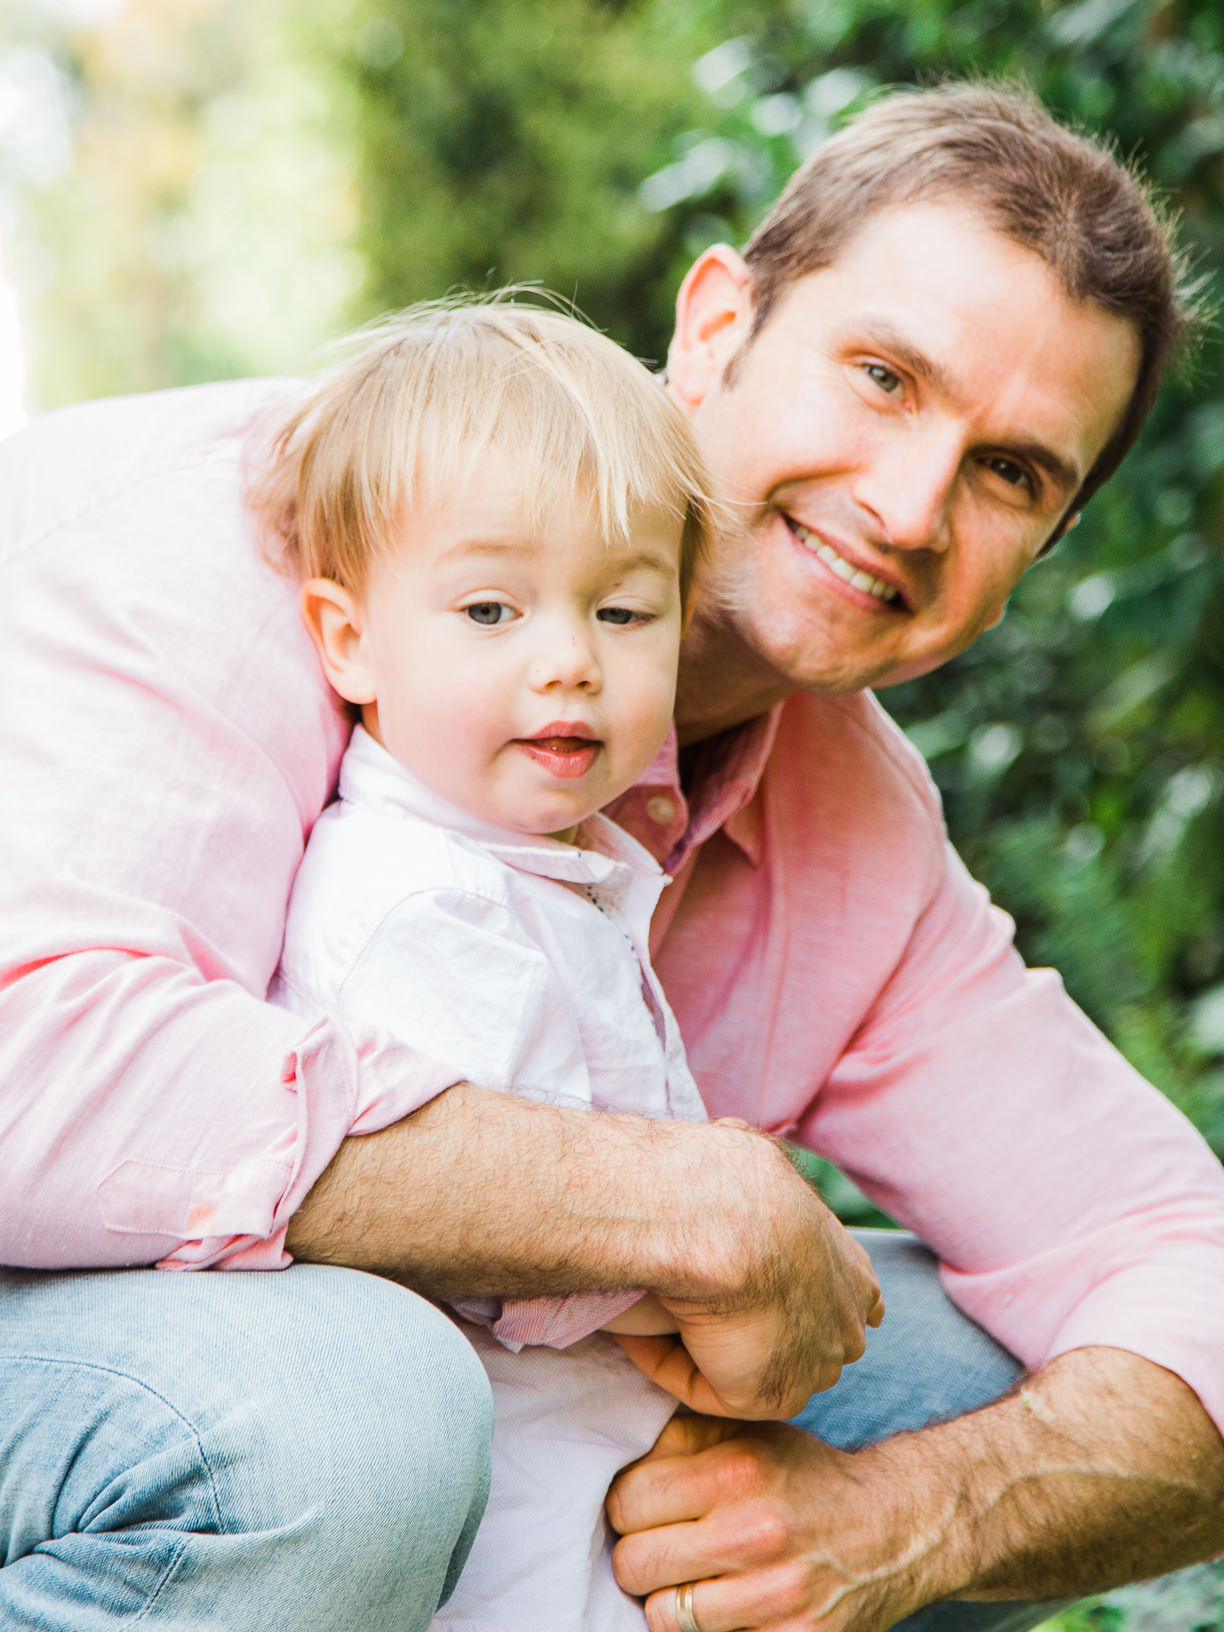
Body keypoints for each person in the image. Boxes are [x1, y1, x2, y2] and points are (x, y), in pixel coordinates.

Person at [1, 78, 1223, 1632]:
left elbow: (1170, 1251)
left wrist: (910, 1514)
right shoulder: (242, 531)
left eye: (1012, 475)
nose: (913, 506)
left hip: (467, 1443)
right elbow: (22, 1060)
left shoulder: (852, 821)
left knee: (970, 1386)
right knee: (346, 1418)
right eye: (881, 375)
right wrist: (665, 1203)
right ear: (717, 324)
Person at [259, 297, 785, 1631]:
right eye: (491, 609)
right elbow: (497, 1251)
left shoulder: (547, 864)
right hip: (505, 1501)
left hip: (592, 1462)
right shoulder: (416, 902)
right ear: (348, 638)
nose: (568, 661)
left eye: (622, 611)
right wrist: (710, 1289)